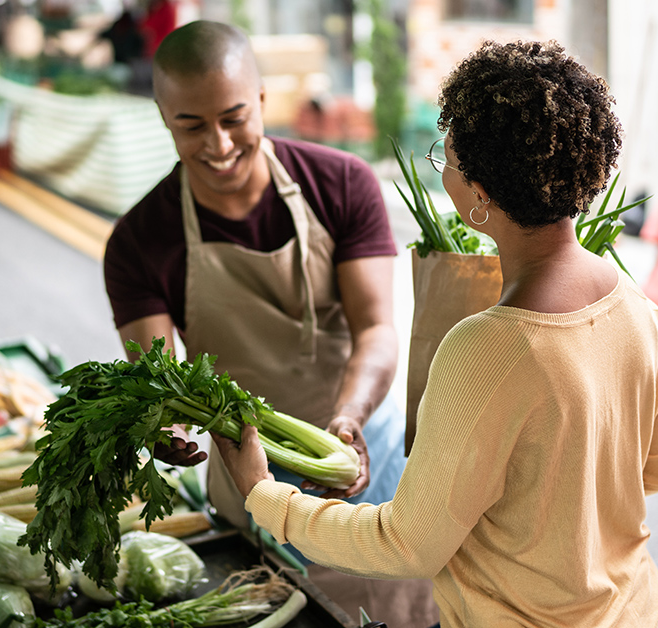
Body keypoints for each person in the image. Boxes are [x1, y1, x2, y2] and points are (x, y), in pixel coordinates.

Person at [215, 40, 658, 628]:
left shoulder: (487, 349)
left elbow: (406, 544)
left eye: (448, 157)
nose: (444, 167)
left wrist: (264, 495)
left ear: (480, 197)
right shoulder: (635, 305)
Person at [103, 21, 437, 627]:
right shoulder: (138, 241)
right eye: (192, 126)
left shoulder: (341, 183)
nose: (220, 144)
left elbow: (377, 331)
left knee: (393, 605)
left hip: (362, 452)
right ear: (162, 116)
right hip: (247, 474)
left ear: (261, 100)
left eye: (234, 117)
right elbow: (161, 379)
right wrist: (166, 428)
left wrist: (348, 419)